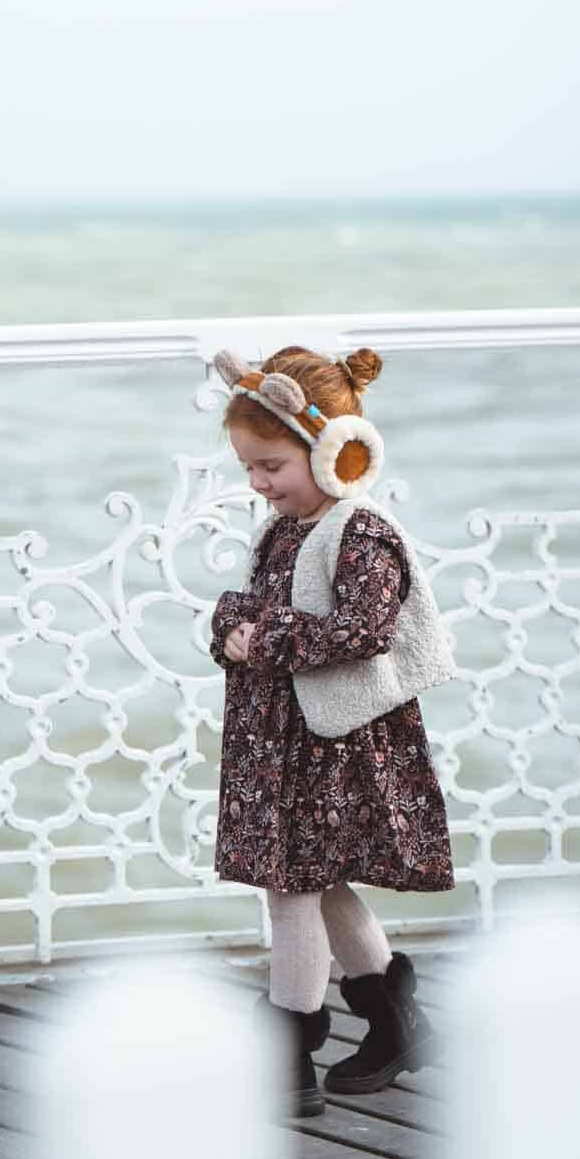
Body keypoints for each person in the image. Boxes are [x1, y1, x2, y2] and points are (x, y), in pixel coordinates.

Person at [208, 344, 456, 1118]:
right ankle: (395, 1023)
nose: (258, 483)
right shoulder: (285, 529)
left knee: (292, 891)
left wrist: (264, 637)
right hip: (282, 744)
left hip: (333, 748)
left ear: (335, 452)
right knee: (318, 881)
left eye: (271, 465)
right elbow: (254, 607)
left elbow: (363, 629)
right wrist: (231, 628)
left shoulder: (362, 533)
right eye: (249, 468)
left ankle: (286, 1054)